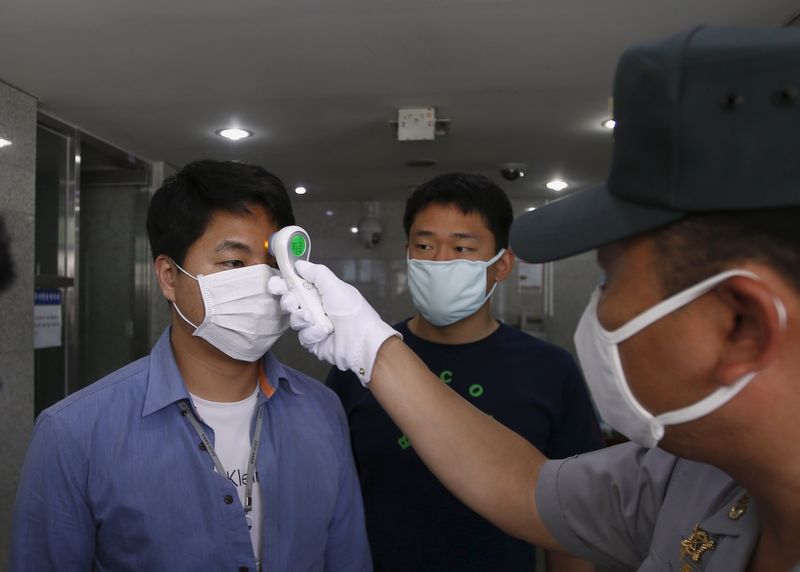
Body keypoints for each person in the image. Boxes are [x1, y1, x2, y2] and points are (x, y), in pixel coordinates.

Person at [270, 27, 800, 571]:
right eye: (426, 247)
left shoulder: (565, 382)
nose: (601, 313)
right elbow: (526, 486)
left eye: (609, 280)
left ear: (743, 325)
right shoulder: (689, 481)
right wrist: (372, 345)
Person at [10, 160, 371, 571]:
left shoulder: (322, 410)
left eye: (273, 266)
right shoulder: (74, 434)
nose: (262, 283)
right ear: (168, 276)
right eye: (233, 263)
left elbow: (348, 559)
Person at [326, 173, 604, 571]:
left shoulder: (549, 370)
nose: (440, 261)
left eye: (462, 248)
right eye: (424, 246)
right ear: (408, 253)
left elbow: (574, 517)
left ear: (502, 264)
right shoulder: (361, 360)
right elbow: (331, 501)